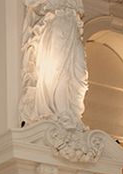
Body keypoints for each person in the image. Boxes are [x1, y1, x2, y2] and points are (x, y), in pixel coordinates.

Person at [19, 0, 88, 130]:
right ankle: (61, 112)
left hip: (73, 26)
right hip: (57, 23)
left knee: (80, 75)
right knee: (58, 70)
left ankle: (73, 113)